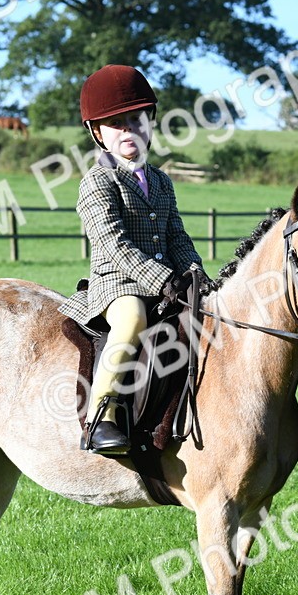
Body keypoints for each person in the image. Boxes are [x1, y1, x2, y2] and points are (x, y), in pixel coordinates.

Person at [58, 64, 204, 454]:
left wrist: (194, 273)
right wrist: (163, 280)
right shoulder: (97, 181)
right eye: (116, 124)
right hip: (118, 284)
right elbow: (114, 244)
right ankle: (102, 416)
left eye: (136, 120)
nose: (129, 130)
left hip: (165, 284)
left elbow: (177, 236)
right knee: (133, 319)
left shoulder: (161, 181)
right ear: (97, 133)